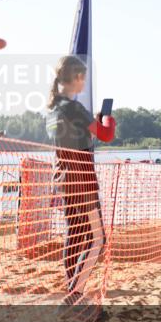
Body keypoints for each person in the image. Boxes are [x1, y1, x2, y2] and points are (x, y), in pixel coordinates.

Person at [46, 55, 116, 308]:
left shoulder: (53, 110)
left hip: (64, 178)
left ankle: (71, 288)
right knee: (98, 240)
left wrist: (91, 124)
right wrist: (107, 119)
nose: (85, 82)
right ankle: (75, 293)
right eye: (83, 77)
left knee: (75, 234)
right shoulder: (74, 108)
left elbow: (74, 139)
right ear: (76, 77)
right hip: (82, 180)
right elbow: (106, 134)